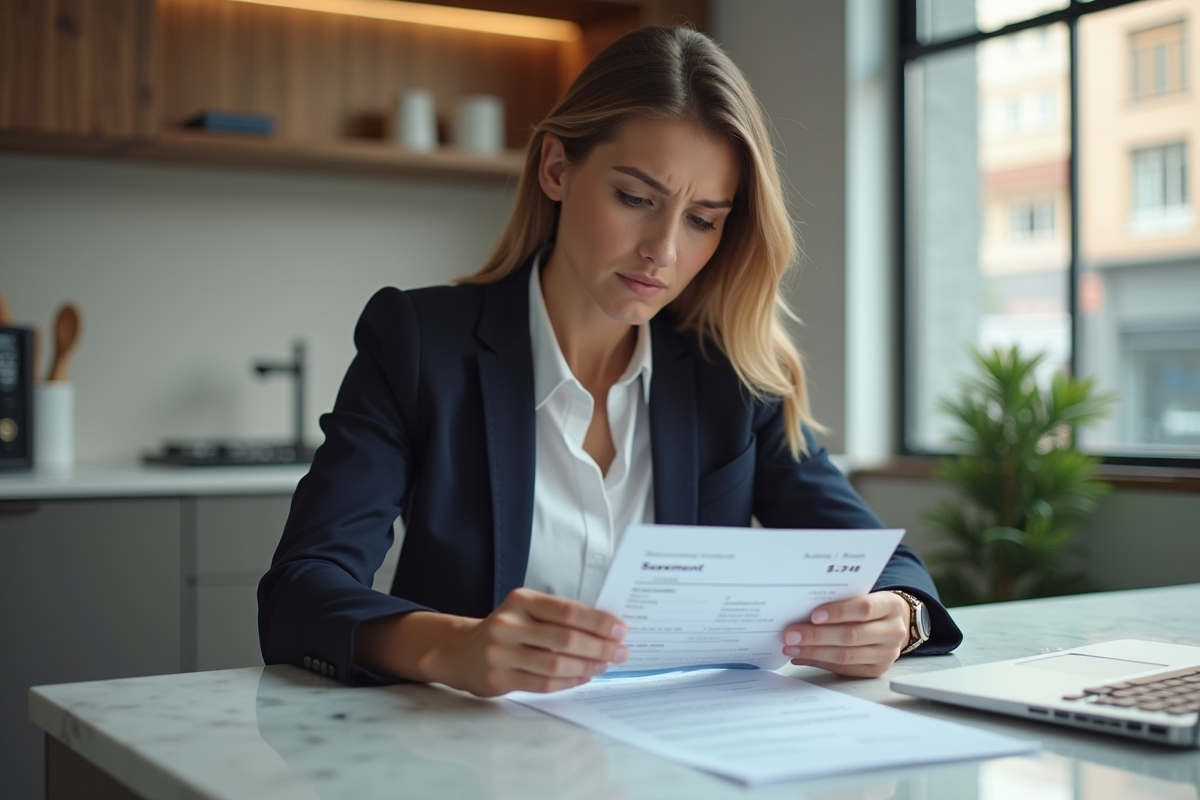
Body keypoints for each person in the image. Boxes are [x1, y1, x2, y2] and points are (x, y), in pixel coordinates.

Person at [258, 25, 962, 697]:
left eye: (702, 219)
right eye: (635, 198)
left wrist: (899, 616)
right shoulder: (418, 343)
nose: (664, 250)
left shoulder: (732, 374)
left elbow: (884, 563)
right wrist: (452, 647)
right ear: (558, 168)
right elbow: (300, 588)